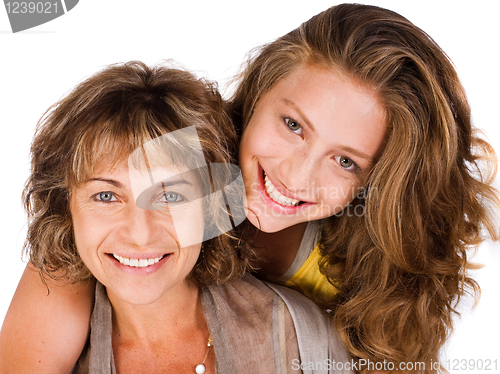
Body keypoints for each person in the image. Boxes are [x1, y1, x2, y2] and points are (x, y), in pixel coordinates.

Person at [1, 4, 498, 373]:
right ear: (257, 94)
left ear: (378, 181)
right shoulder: (177, 153)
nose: (295, 177)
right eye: (293, 124)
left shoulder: (367, 278)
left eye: (345, 161)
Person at [1, 61, 351, 374]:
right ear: (67, 208)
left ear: (211, 207)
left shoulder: (298, 337)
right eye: (106, 196)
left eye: (170, 196)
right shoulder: (47, 345)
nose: (140, 233)